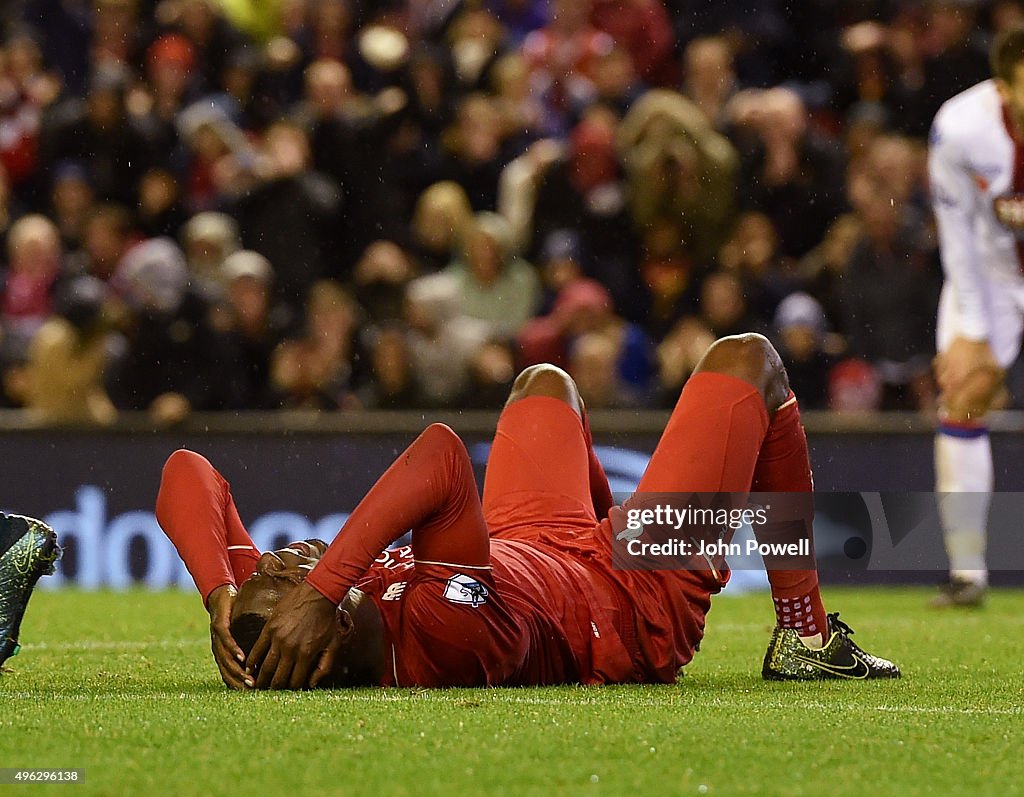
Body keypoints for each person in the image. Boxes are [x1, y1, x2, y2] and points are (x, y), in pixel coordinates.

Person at [155, 334, 900, 689]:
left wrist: (219, 593)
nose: (282, 558)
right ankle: (804, 637)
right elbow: (442, 455)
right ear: (327, 627)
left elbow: (186, 474)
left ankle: (622, 525)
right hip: (636, 590)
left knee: (542, 383)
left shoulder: (321, 610)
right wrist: (322, 586)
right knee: (750, 362)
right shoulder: (441, 632)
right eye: (285, 578)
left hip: (537, 544)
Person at [926, 27, 1024, 607]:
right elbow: (957, 234)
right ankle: (968, 573)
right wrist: (975, 334)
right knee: (962, 393)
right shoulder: (961, 129)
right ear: (1004, 89)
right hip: (990, 274)